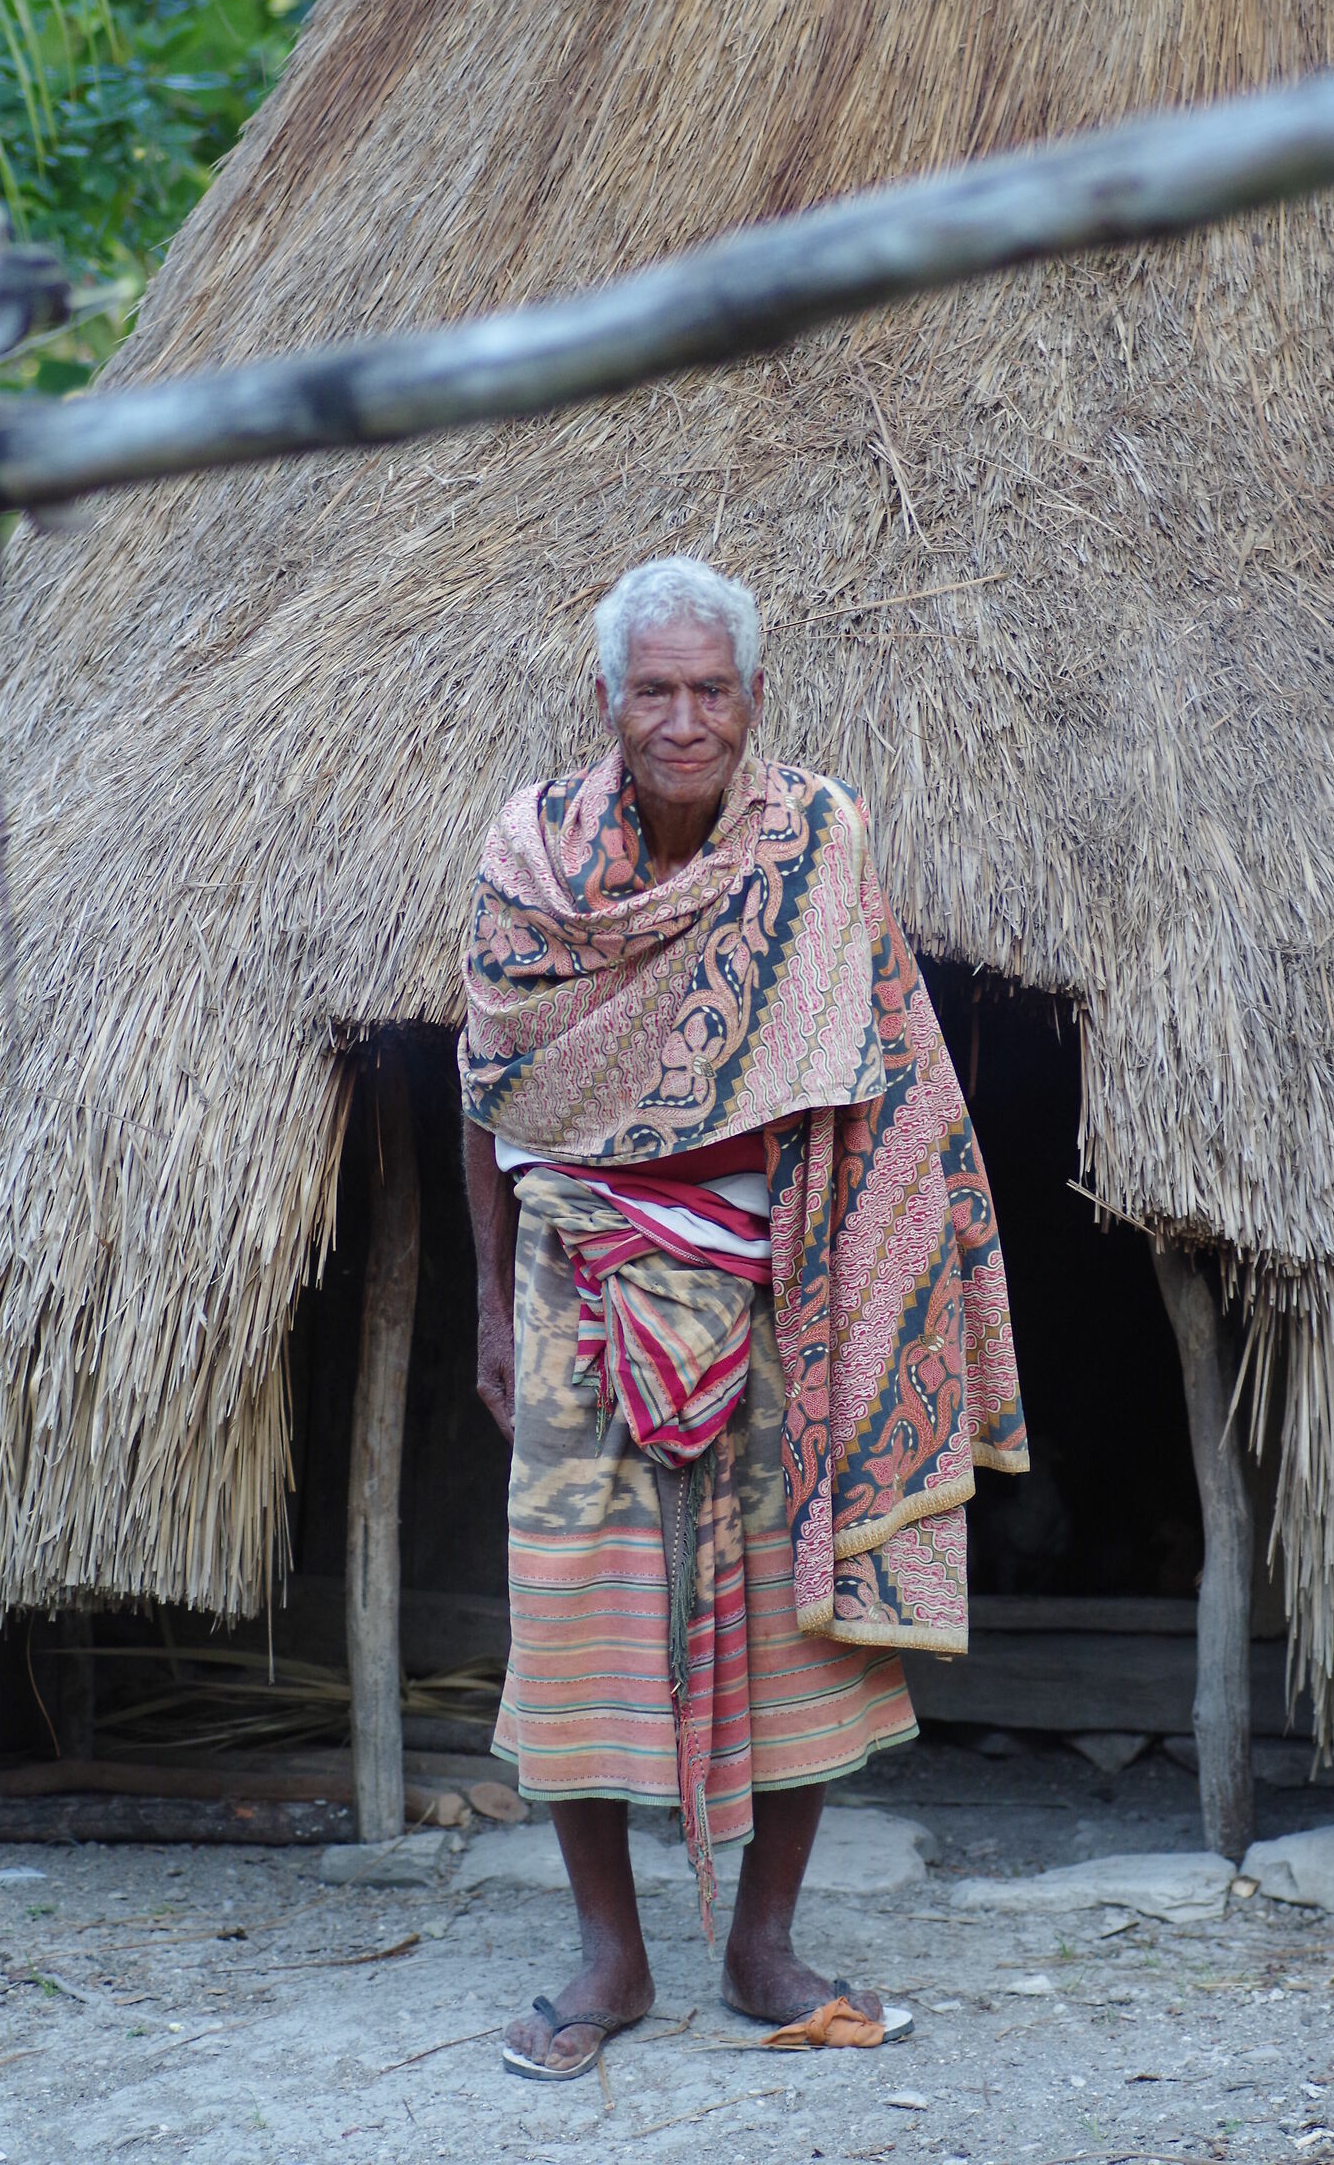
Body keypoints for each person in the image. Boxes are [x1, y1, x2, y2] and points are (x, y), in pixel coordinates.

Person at [460, 555, 1027, 2082]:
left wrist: (883, 1280)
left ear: (752, 696)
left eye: (712, 689)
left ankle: (762, 1944)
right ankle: (609, 1957)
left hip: (784, 1286)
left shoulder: (817, 842)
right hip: (577, 1282)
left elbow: (883, 1056)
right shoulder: (533, 858)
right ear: (607, 700)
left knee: (796, 1617)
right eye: (655, 690)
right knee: (574, 1605)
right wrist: (488, 1312)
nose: (684, 719)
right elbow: (492, 1081)